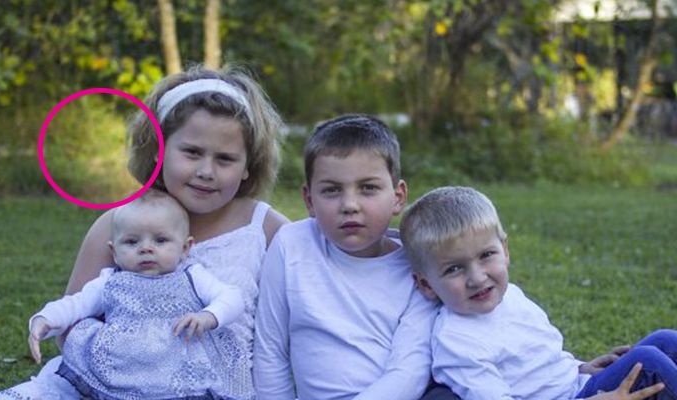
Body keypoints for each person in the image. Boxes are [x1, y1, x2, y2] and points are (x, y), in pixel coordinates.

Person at [63, 66, 290, 392]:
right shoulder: (118, 224)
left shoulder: (266, 228)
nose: (206, 171)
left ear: (247, 167)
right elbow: (69, 327)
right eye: (192, 152)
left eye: (225, 159)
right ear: (160, 151)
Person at [0, 191, 249, 399]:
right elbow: (76, 305)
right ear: (114, 251)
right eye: (132, 242)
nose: (146, 248)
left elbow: (232, 297)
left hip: (176, 371)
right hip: (120, 368)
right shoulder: (111, 281)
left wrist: (209, 316)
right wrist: (45, 320)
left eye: (160, 240)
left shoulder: (191, 275)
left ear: (185, 248)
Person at [399, 186, 675, 400]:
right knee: (649, 362)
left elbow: (539, 360)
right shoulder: (456, 341)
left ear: (505, 251)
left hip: (578, 384)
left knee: (664, 340)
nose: (477, 277)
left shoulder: (511, 296)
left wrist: (579, 368)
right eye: (454, 269)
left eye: (486, 255)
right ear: (426, 284)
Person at [254, 114, 451, 400]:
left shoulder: (418, 264)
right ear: (309, 200)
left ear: (398, 197)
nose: (349, 205)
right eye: (332, 190)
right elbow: (270, 352)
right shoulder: (292, 245)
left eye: (368, 188)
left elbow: (409, 371)